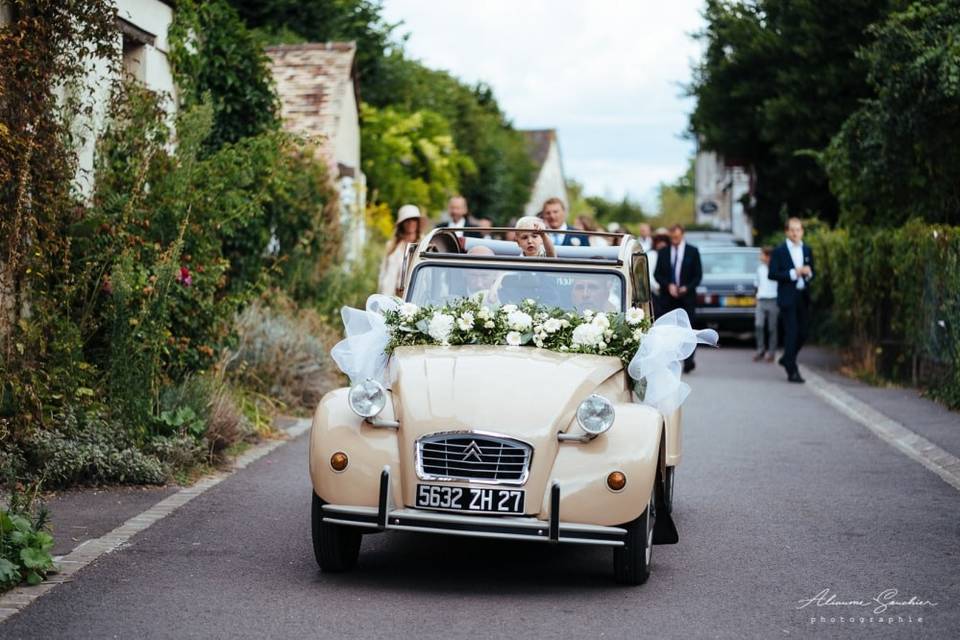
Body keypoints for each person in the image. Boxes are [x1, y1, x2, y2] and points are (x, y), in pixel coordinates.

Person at [768, 217, 814, 383]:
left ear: (802, 231)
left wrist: (808, 273)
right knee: (792, 332)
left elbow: (811, 271)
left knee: (804, 333)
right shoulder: (779, 251)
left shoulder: (807, 249)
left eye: (798, 229)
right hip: (787, 297)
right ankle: (792, 370)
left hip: (802, 296)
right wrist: (794, 272)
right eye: (792, 230)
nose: (795, 233)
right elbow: (772, 273)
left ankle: (787, 357)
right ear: (787, 232)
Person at [654, 224, 703, 373]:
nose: (674, 239)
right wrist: (668, 285)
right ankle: (669, 359)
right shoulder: (663, 252)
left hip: (686, 297)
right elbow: (657, 274)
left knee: (687, 329)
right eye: (672, 237)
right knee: (668, 329)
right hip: (667, 298)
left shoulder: (692, 251)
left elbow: (698, 276)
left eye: (677, 236)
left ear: (682, 235)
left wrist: (686, 287)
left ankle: (689, 360)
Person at [377, 204, 423, 296]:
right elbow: (383, 273)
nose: (410, 223)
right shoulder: (392, 245)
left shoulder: (424, 244)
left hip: (416, 296)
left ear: (418, 222)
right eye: (407, 220)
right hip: (392, 295)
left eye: (413, 219)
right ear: (401, 223)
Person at [753, 246, 779, 363]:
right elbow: (757, 284)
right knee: (759, 324)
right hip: (762, 300)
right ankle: (760, 349)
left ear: (768, 256)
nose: (760, 257)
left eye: (762, 254)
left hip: (773, 299)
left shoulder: (776, 268)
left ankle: (772, 352)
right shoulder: (760, 269)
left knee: (772, 328)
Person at [647, 227, 670, 317]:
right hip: (655, 293)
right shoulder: (652, 255)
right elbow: (649, 276)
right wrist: (658, 288)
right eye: (660, 241)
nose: (662, 244)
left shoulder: (666, 255)